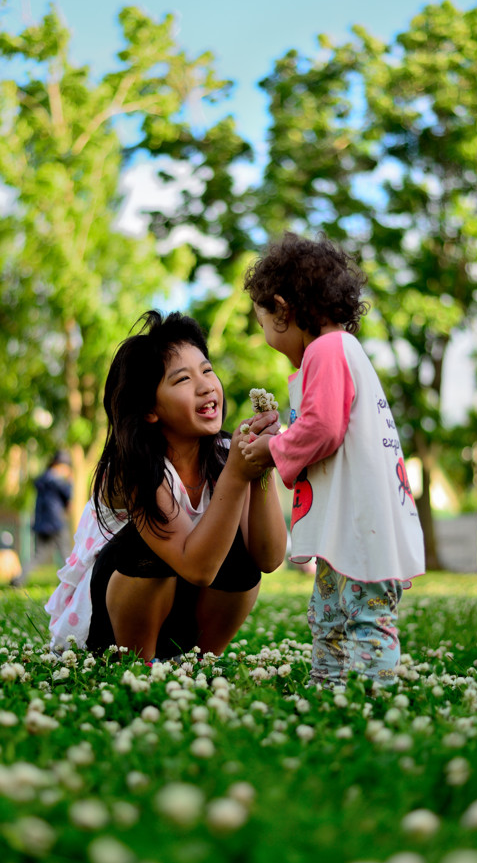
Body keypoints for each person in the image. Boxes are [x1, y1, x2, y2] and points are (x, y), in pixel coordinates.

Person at [239, 233, 425, 687]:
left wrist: (272, 449)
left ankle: (373, 699)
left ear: (282, 309)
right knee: (328, 616)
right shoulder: (335, 352)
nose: (262, 334)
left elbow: (323, 429)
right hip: (349, 525)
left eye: (261, 321)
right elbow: (326, 429)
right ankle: (329, 691)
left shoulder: (327, 350)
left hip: (362, 524)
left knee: (365, 619)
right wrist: (281, 433)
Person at [45, 310, 287, 660]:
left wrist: (260, 469)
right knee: (147, 547)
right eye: (182, 380)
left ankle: (199, 662)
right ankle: (138, 666)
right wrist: (237, 474)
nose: (206, 385)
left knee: (237, 549)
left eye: (207, 370)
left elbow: (267, 557)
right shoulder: (132, 467)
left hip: (181, 614)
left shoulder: (223, 455)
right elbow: (197, 568)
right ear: (149, 410)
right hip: (108, 626)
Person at [12, 450, 73, 587]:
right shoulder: (56, 481)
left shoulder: (42, 481)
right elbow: (68, 495)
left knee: (38, 555)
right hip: (56, 523)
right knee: (65, 553)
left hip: (42, 524)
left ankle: (19, 579)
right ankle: (71, 583)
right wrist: (70, 482)